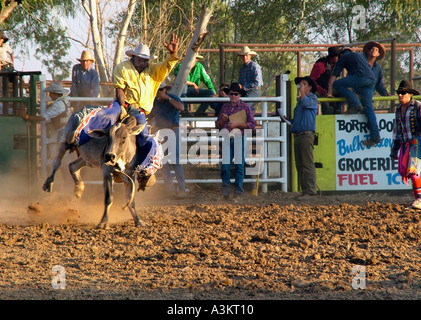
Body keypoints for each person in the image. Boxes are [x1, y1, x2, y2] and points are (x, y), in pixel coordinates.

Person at [113, 33, 180, 190]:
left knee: (144, 139)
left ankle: (142, 170)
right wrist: (123, 107)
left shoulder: (154, 72)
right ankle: (87, 143)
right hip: (124, 106)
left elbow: (167, 66)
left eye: (145, 60)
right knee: (107, 122)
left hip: (139, 112)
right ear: (134, 58)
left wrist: (172, 55)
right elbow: (119, 90)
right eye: (140, 59)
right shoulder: (123, 68)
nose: (142, 63)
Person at [327, 47, 380, 147]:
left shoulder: (343, 58)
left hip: (361, 78)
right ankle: (375, 137)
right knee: (368, 107)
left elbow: (333, 78)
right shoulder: (360, 56)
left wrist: (329, 93)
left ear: (340, 55)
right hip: (371, 79)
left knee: (337, 84)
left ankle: (355, 104)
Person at [216, 82, 256, 200]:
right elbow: (218, 124)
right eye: (231, 94)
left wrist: (238, 124)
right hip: (228, 137)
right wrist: (223, 122)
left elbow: (252, 125)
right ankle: (227, 192)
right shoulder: (225, 107)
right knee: (226, 166)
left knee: (238, 166)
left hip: (239, 137)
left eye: (236, 94)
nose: (233, 96)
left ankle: (237, 192)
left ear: (239, 95)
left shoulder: (245, 107)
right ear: (229, 95)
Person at [149, 81, 189, 199]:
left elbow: (181, 107)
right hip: (161, 132)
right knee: (163, 162)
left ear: (165, 90)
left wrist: (168, 98)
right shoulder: (155, 103)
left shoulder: (173, 98)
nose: (159, 92)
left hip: (173, 131)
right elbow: (149, 116)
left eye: (161, 90)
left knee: (175, 160)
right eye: (157, 90)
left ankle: (182, 188)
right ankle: (170, 189)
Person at [283, 76, 318, 199]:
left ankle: (310, 191)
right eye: (300, 84)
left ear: (309, 87)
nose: (301, 86)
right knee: (300, 165)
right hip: (299, 135)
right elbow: (299, 118)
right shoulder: (302, 101)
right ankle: (305, 190)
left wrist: (302, 92)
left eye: (304, 84)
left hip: (305, 135)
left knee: (307, 164)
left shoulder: (312, 98)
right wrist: (288, 120)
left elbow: (305, 102)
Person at [390, 80, 421, 209]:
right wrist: (394, 149)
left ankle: (420, 199)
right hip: (405, 144)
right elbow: (397, 130)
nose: (400, 95)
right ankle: (417, 200)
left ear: (410, 94)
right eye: (399, 93)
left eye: (403, 93)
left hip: (417, 142)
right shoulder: (398, 110)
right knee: (409, 173)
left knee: (413, 171)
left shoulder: (417, 106)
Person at [310, 45, 343, 114]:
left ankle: (337, 110)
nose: (336, 58)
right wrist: (321, 90)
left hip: (328, 89)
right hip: (317, 89)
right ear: (331, 57)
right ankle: (326, 116)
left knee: (342, 92)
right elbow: (312, 80)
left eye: (338, 56)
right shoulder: (320, 65)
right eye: (335, 56)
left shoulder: (335, 66)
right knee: (325, 102)